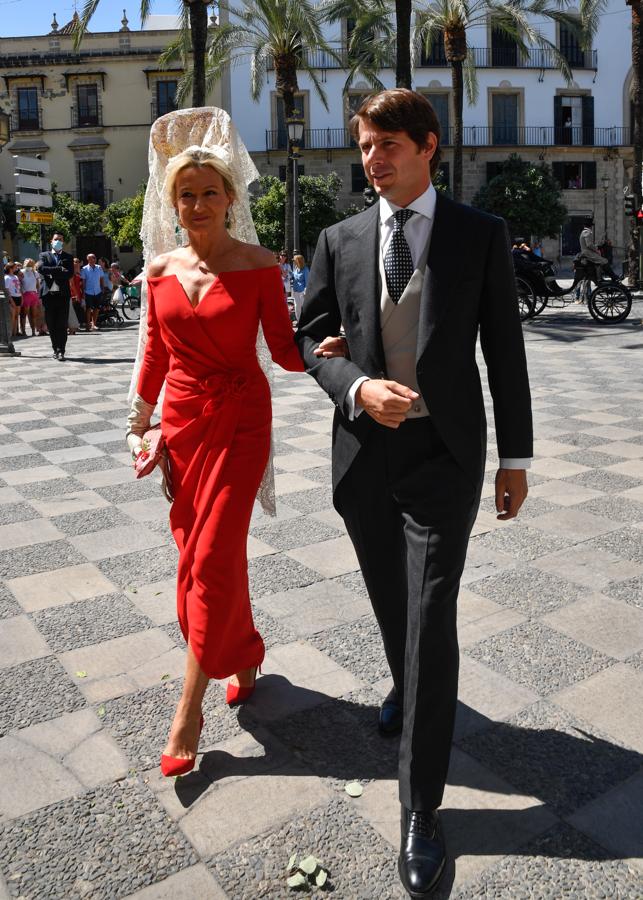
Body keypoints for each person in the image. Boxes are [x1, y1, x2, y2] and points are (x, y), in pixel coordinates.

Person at [295, 89, 532, 899]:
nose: (372, 158)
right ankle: (408, 685)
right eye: (364, 145)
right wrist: (355, 385)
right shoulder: (340, 237)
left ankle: (420, 811)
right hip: (364, 456)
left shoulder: (478, 235)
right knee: (395, 607)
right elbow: (306, 337)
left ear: (427, 146)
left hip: (444, 454)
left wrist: (515, 458)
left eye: (388, 144)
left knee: (430, 617)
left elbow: (503, 350)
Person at [125, 108, 346, 780]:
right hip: (184, 427)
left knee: (213, 560)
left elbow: (283, 351)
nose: (197, 205)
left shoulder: (256, 265)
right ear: (172, 202)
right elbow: (156, 354)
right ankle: (245, 649)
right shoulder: (159, 271)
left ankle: (187, 710)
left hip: (242, 422)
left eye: (208, 193)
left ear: (229, 199)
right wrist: (139, 423)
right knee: (195, 553)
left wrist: (334, 349)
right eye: (185, 194)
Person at [38, 233, 74, 360]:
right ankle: (55, 348)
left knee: (62, 324)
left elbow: (69, 274)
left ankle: (61, 350)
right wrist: (59, 269)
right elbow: (41, 268)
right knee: (51, 324)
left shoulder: (68, 257)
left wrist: (52, 272)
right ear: (51, 241)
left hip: (62, 295)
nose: (58, 241)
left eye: (60, 240)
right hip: (48, 295)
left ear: (63, 242)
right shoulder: (44, 255)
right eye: (56, 239)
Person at [81, 254, 110, 331]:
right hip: (88, 291)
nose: (93, 259)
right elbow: (83, 282)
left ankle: (94, 324)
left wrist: (102, 288)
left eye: (94, 258)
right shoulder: (84, 269)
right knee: (88, 308)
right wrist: (83, 292)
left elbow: (101, 279)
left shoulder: (99, 268)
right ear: (88, 259)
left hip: (97, 291)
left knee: (97, 308)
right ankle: (88, 324)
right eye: (91, 258)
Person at [20, 259, 42, 336]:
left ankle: (33, 331)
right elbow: (19, 284)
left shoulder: (35, 272)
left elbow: (38, 285)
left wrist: (39, 295)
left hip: (34, 294)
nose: (28, 265)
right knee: (24, 314)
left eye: (30, 263)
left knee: (34, 314)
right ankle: (23, 331)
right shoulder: (21, 272)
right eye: (27, 263)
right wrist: (21, 293)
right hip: (26, 294)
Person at [4, 262, 22, 337]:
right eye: (15, 267)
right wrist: (11, 301)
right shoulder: (7, 277)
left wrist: (21, 297)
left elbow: (18, 287)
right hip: (12, 298)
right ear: (10, 268)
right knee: (12, 316)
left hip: (18, 296)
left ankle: (15, 333)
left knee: (16, 316)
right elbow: (7, 290)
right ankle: (10, 334)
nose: (16, 268)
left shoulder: (15, 276)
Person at [291, 253, 309, 322]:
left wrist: (305, 292)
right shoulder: (295, 268)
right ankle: (299, 321)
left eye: (294, 261)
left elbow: (307, 282)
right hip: (295, 290)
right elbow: (293, 276)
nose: (294, 262)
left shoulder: (305, 270)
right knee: (296, 306)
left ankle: (305, 321)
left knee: (304, 307)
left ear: (298, 261)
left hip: (302, 291)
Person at [70, 258, 85, 328]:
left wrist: (82, 295)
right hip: (73, 294)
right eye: (75, 262)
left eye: (77, 262)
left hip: (79, 294)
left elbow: (81, 285)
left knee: (78, 309)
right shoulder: (71, 273)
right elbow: (72, 285)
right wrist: (76, 295)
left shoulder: (80, 273)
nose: (76, 263)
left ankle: (79, 323)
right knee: (74, 310)